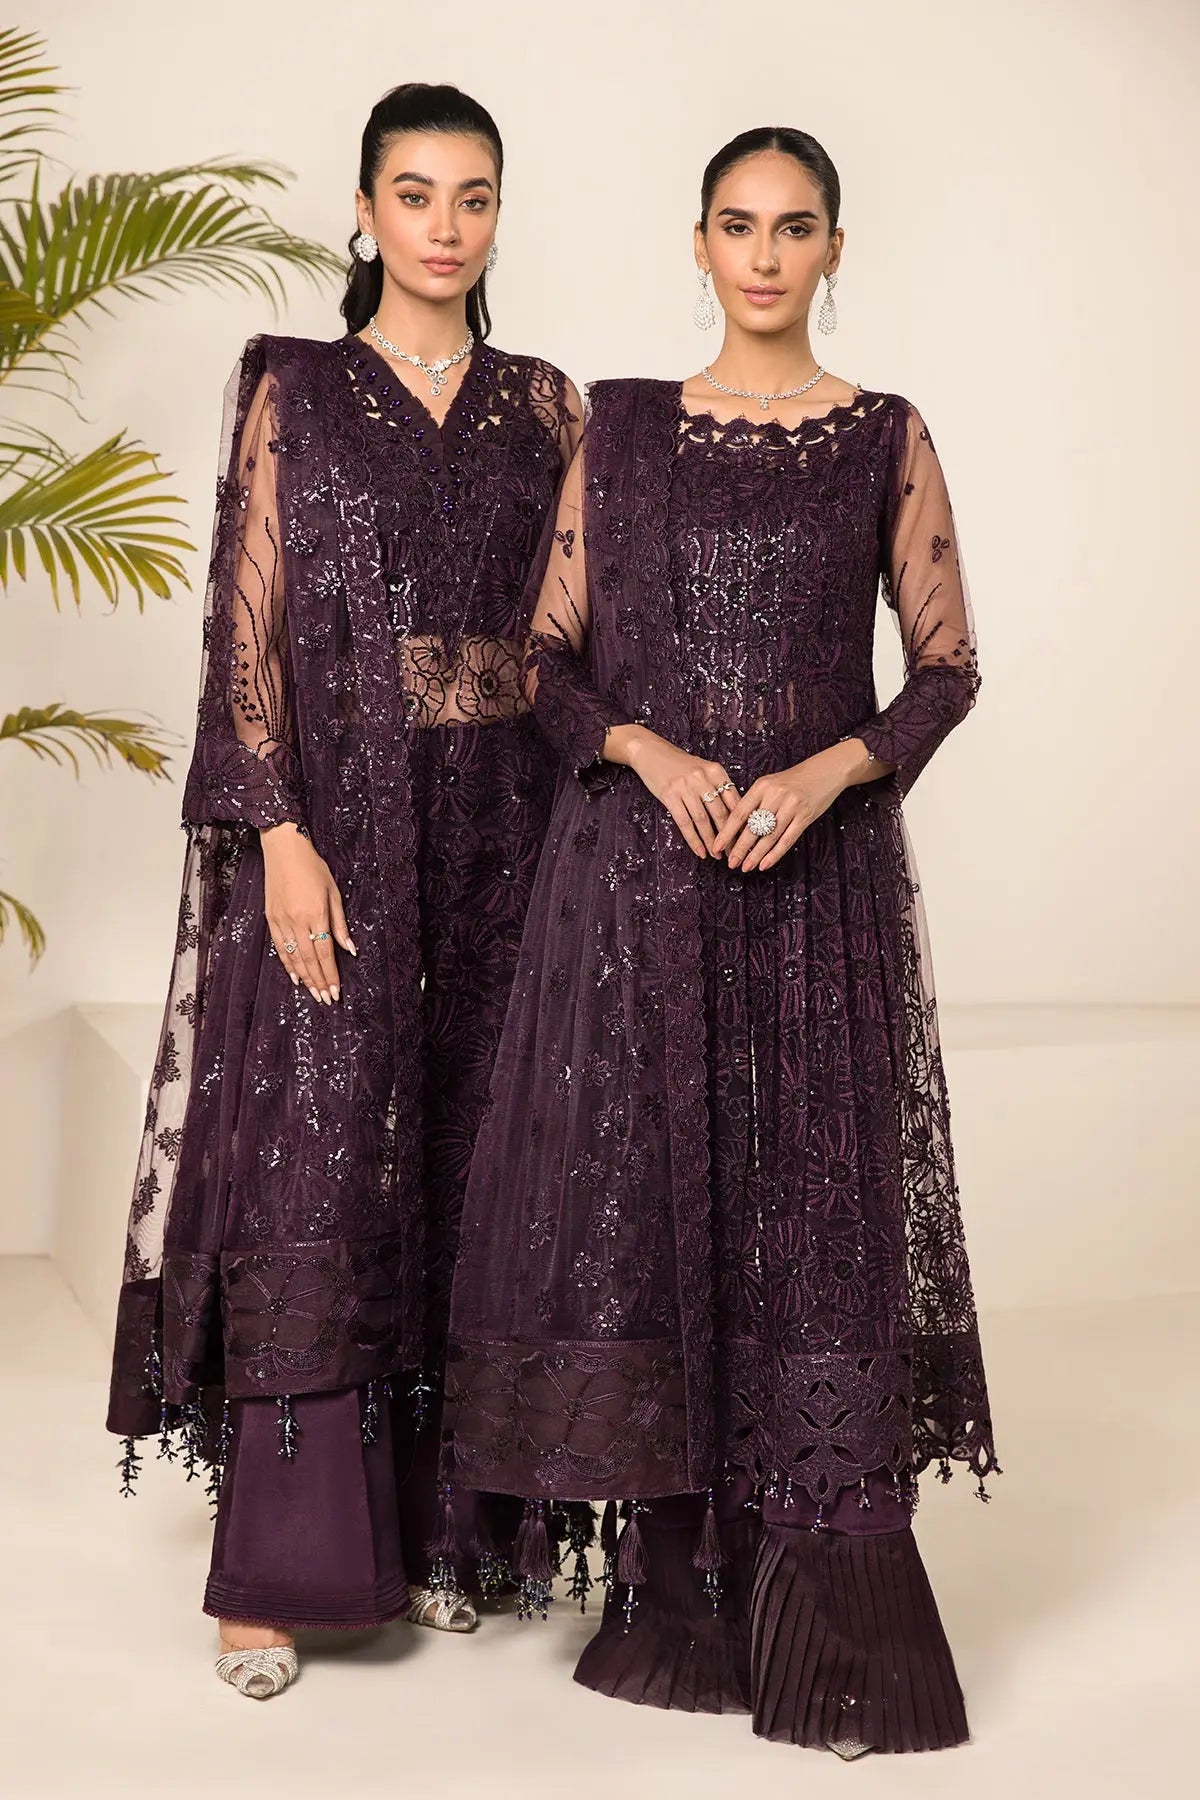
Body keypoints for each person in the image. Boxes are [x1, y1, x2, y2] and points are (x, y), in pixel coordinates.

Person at [444, 125, 998, 1757]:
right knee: (658, 1213)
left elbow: (948, 672)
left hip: (817, 894)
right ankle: (679, 1604)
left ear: (835, 249)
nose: (764, 255)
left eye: (794, 227)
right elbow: (545, 663)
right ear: (697, 244)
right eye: (737, 226)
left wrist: (832, 771)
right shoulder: (620, 430)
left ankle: (832, 1639)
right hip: (639, 885)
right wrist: (644, 750)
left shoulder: (884, 437)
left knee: (816, 1222)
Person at [106, 81, 581, 1698]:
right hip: (342, 828)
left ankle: (454, 1532)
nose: (445, 226)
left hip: (509, 829)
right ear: (365, 212)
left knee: (476, 1160)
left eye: (474, 197)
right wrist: (279, 832)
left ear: (498, 215)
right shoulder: (293, 386)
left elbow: (578, 630)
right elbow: (244, 625)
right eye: (415, 194)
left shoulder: (546, 405)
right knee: (317, 1165)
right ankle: (280, 1572)